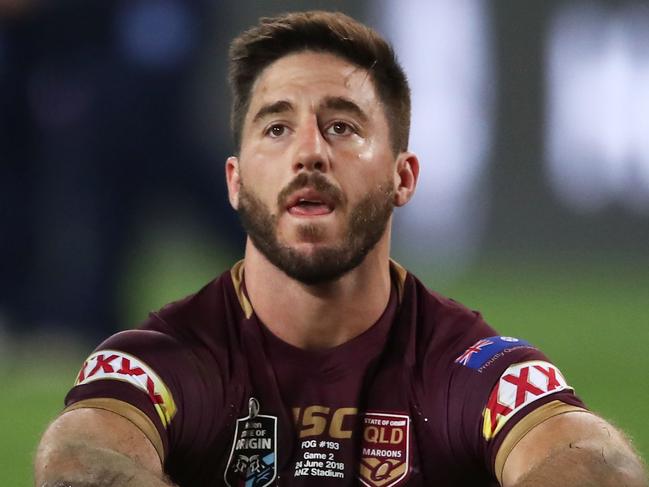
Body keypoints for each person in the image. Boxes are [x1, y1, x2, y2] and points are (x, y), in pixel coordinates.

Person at [34, 10, 647, 487]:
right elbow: (80, 457)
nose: (309, 152)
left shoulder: (471, 370)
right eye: (276, 127)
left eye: (343, 127)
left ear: (403, 177)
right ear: (235, 180)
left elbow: (597, 466)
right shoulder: (161, 362)